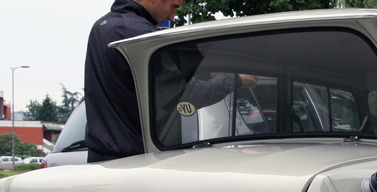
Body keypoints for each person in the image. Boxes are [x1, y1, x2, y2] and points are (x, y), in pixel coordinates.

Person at [83, 0, 258, 163]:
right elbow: (185, 96)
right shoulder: (140, 36)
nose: (171, 16)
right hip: (134, 161)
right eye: (173, 6)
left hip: (102, 159)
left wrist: (205, 73)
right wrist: (234, 80)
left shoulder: (101, 27)